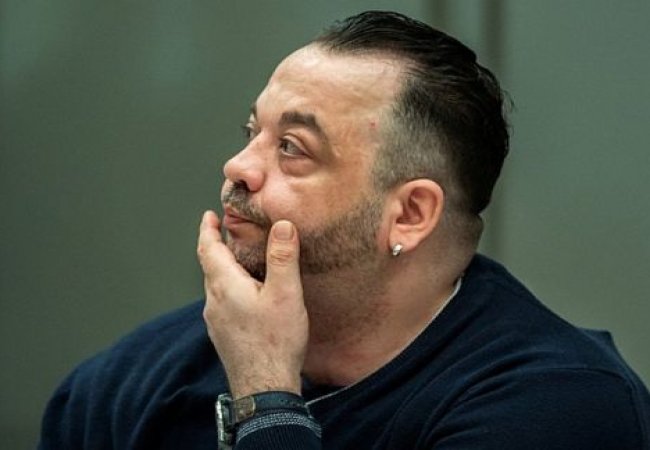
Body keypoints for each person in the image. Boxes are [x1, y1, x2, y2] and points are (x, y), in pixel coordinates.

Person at [39, 10, 650, 450]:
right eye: (252, 132)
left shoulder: (558, 404)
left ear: (410, 214)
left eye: (292, 147)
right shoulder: (128, 382)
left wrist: (266, 399)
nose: (238, 167)